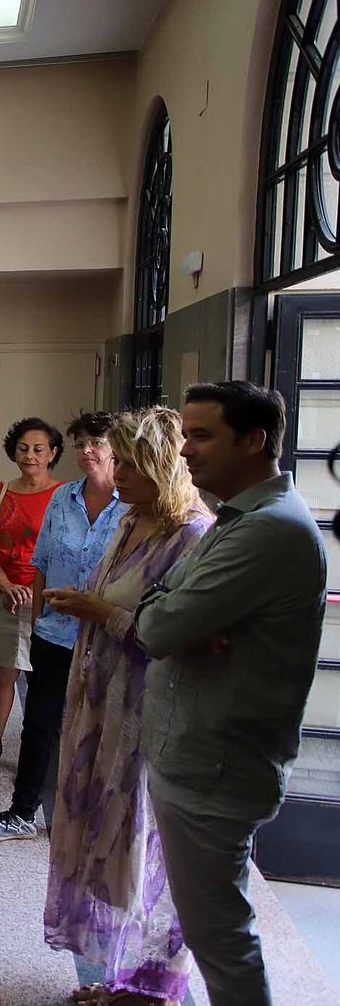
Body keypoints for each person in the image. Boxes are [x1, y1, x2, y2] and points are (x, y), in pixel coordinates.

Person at [133, 382, 327, 1005]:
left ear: (254, 440)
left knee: (220, 935)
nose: (185, 449)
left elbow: (157, 627)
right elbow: (162, 603)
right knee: (210, 925)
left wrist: (172, 613)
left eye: (202, 434)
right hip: (193, 752)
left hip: (216, 764)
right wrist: (174, 611)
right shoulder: (236, 515)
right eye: (185, 433)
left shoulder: (268, 531)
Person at [37, 407, 211, 1004]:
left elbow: (182, 635)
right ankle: (114, 977)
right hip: (100, 702)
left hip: (147, 711)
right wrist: (89, 606)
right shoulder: (132, 518)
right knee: (99, 841)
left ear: (165, 466)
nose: (118, 473)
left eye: (133, 464)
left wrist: (100, 613)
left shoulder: (191, 534)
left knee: (140, 849)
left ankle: (153, 984)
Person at [0, 412, 124, 842]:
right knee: (41, 723)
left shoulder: (132, 504)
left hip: (106, 636)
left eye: (96, 443)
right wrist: (41, 616)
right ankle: (23, 811)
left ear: (117, 449)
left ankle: (96, 817)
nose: (87, 452)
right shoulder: (65, 499)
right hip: (55, 633)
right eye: (81, 443)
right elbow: (42, 560)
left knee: (99, 726)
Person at [0, 416, 64, 766]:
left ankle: (40, 749)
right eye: (23, 448)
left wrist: (32, 588)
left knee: (41, 677)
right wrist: (7, 582)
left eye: (38, 449)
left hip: (45, 599)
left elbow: (64, 547)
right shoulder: (1, 492)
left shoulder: (63, 495)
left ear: (52, 453)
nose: (30, 455)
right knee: (0, 672)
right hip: (4, 594)